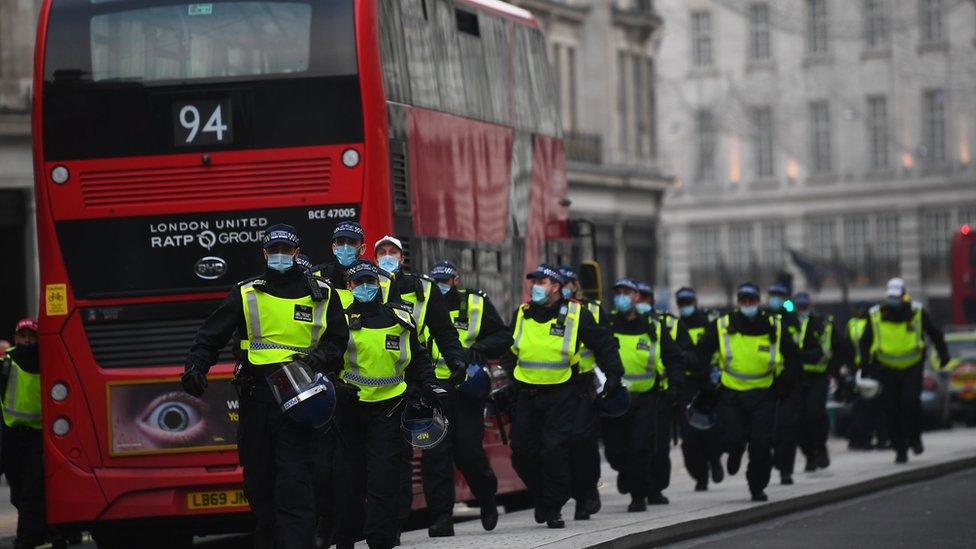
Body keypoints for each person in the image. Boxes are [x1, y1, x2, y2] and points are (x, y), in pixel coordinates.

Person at [183, 224, 348, 549]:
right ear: (264, 253)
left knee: (294, 482)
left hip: (299, 401)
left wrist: (317, 361)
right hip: (257, 398)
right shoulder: (246, 293)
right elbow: (210, 335)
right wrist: (196, 367)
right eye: (274, 250)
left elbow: (338, 341)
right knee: (259, 484)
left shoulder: (322, 294)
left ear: (297, 253)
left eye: (286, 250)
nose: (280, 256)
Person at [331, 260, 445, 549]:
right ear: (349, 286)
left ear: (379, 285)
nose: (366, 287)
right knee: (349, 480)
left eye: (371, 282)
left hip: (390, 409)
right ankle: (345, 538)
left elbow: (417, 357)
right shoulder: (340, 321)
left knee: (384, 480)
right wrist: (337, 385)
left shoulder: (400, 318)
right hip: (351, 410)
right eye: (359, 283)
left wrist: (431, 384)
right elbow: (327, 360)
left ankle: (380, 540)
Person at [500, 264, 624, 528]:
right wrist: (511, 375)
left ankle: (553, 506)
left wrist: (614, 374)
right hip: (527, 393)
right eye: (533, 281)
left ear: (556, 287)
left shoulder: (577, 314)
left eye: (541, 281)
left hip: (564, 391)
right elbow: (509, 349)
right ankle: (545, 497)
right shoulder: (521, 313)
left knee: (555, 450)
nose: (535, 286)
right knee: (521, 453)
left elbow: (604, 342)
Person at [372, 236, 467, 536]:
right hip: (386, 380)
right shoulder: (366, 285)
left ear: (402, 258)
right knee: (395, 457)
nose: (388, 256)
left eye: (393, 252)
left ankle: (441, 517)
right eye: (382, 252)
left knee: (435, 451)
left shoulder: (424, 289)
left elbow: (444, 331)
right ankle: (395, 521)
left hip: (422, 378)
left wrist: (456, 362)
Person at [695, 283, 819, 502]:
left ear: (758, 302)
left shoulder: (775, 326)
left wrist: (785, 384)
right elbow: (702, 353)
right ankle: (734, 452)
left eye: (752, 300)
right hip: (731, 393)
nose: (748, 304)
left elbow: (792, 356)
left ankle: (757, 486)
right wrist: (705, 383)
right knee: (732, 439)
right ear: (738, 303)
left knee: (762, 445)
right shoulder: (722, 325)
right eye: (744, 301)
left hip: (764, 394)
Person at [418, 261, 511, 536]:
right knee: (435, 454)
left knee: (467, 451)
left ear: (456, 280)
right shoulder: (421, 303)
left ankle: (486, 497)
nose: (441, 285)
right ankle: (441, 519)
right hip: (434, 388)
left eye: (446, 280)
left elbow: (503, 336)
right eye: (436, 281)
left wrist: (478, 349)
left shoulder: (475, 303)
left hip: (467, 388)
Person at [603, 279, 685, 511]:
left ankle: (638, 496)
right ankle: (627, 473)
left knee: (640, 448)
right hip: (615, 398)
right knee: (615, 451)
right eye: (617, 292)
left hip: (645, 399)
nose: (621, 296)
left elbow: (674, 357)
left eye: (626, 292)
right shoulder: (607, 325)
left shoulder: (654, 327)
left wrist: (675, 383)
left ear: (636, 296)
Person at [858, 278, 949, 464]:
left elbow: (934, 332)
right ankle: (900, 449)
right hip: (886, 368)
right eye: (891, 297)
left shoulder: (917, 311)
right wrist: (865, 365)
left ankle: (914, 438)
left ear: (904, 295)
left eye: (897, 297)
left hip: (912, 366)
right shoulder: (875, 314)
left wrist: (943, 353)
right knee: (891, 410)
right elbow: (865, 341)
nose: (894, 300)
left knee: (910, 404)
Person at [559, 266, 605, 520]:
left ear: (576, 285)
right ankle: (578, 492)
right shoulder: (548, 312)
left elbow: (606, 344)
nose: (565, 287)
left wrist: (608, 382)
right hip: (558, 385)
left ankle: (587, 492)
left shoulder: (593, 310)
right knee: (563, 445)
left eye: (568, 282)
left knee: (583, 442)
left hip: (586, 385)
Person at [767, 282, 821, 485]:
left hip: (791, 381)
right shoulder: (765, 317)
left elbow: (790, 313)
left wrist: (787, 305)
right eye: (772, 295)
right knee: (771, 429)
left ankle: (786, 470)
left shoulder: (791, 317)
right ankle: (778, 461)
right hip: (768, 381)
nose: (774, 299)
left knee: (788, 428)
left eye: (779, 296)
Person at [673, 287, 724, 491]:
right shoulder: (676, 326)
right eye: (681, 303)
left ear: (695, 301)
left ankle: (715, 460)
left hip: (707, 384)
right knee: (689, 437)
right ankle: (700, 477)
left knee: (711, 431)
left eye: (688, 302)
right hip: (686, 385)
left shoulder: (710, 322)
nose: (685, 307)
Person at [2, 319, 45, 549]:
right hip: (11, 435)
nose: (27, 341)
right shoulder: (6, 362)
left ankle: (28, 537)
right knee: (17, 490)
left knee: (32, 488)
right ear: (16, 337)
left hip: (38, 436)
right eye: (23, 336)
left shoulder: (49, 360)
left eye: (32, 336)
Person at [793, 293, 843, 471]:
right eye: (798, 307)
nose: (801, 311)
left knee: (815, 415)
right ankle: (809, 456)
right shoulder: (787, 323)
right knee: (798, 421)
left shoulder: (822, 324)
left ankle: (820, 448)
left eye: (804, 307)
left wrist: (837, 372)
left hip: (817, 378)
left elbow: (838, 348)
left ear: (810, 306)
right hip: (795, 379)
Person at [845, 301, 888, 450]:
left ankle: (870, 438)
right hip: (865, 370)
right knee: (868, 408)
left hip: (868, 370)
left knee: (869, 407)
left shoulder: (857, 324)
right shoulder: (857, 324)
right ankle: (869, 438)